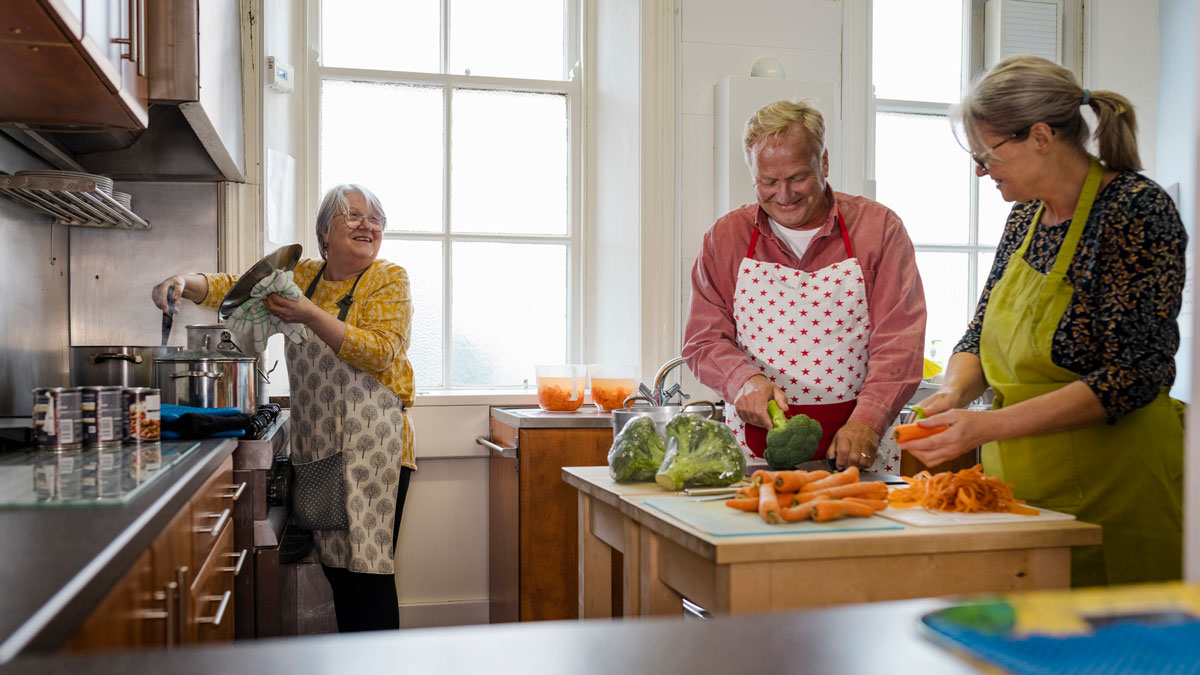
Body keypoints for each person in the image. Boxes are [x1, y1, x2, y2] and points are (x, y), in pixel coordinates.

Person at [902, 55, 1185, 587]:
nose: (981, 170)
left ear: (1039, 136)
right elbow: (981, 329)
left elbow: (1134, 375)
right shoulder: (1026, 216)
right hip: (1023, 492)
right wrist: (954, 394)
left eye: (987, 154)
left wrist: (987, 426)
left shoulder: (1136, 210)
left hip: (1119, 489)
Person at [151, 184, 416, 630]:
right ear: (323, 233)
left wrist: (309, 314)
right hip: (318, 445)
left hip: (376, 450)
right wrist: (185, 281)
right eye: (352, 216)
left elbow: (380, 352)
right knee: (336, 570)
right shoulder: (304, 275)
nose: (366, 225)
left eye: (375, 219)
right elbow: (234, 287)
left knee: (367, 574)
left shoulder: (388, 278)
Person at [683, 100, 926, 472]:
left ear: (823, 162)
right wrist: (743, 380)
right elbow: (702, 340)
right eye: (768, 182)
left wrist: (869, 419)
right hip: (754, 456)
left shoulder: (878, 230)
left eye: (797, 177)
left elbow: (900, 342)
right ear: (752, 174)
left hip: (858, 449)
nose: (784, 195)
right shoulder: (726, 237)